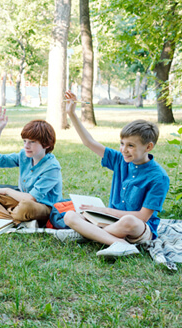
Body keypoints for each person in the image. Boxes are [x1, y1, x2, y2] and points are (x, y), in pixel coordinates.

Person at [62, 91, 170, 257]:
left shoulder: (159, 177)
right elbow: (89, 142)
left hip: (138, 227)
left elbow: (142, 216)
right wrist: (72, 114)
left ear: (148, 147)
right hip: (111, 222)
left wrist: (103, 210)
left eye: (131, 146)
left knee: (129, 221)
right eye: (122, 144)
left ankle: (91, 234)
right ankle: (119, 243)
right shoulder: (121, 160)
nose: (123, 150)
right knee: (69, 216)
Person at [0, 108, 63, 225]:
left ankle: (5, 216)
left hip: (43, 207)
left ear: (46, 144)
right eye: (25, 141)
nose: (26, 146)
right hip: (21, 200)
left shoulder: (52, 167)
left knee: (25, 207)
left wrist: (6, 190)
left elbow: (31, 198)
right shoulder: (24, 155)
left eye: (32, 142)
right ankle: (13, 220)